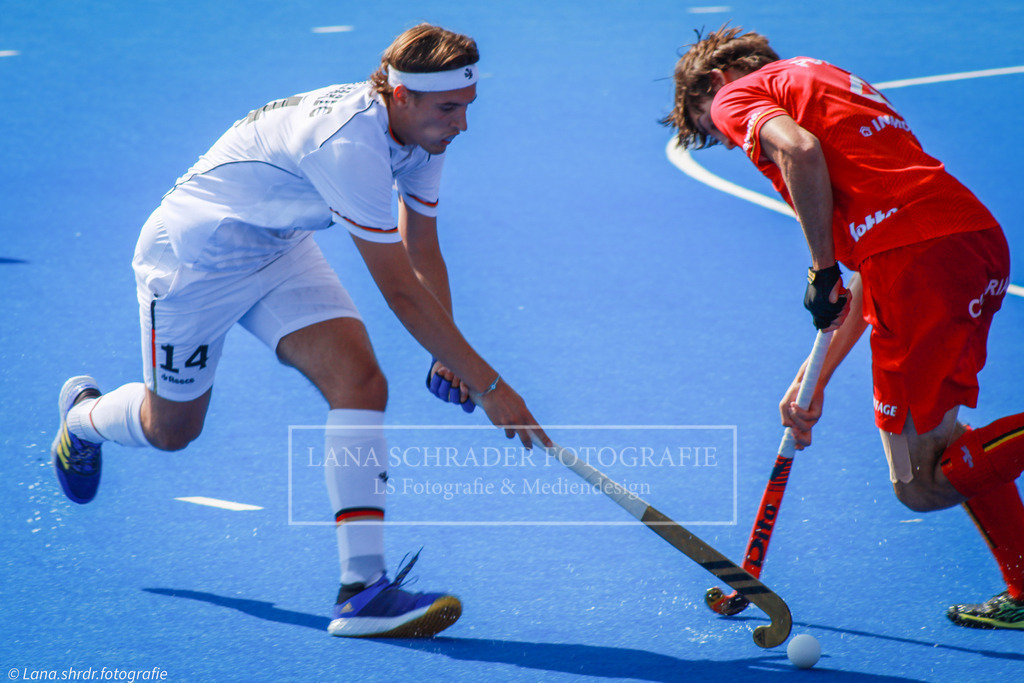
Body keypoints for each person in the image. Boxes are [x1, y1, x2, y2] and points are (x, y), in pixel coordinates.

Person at [51, 23, 551, 639]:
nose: (462, 124)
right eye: (450, 108)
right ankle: (82, 419)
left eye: (467, 107)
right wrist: (490, 385)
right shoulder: (348, 141)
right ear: (402, 96)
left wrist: (448, 358)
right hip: (193, 262)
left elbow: (424, 248)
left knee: (361, 383)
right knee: (171, 429)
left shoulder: (425, 138)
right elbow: (398, 290)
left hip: (278, 248)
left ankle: (362, 591)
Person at [663, 25, 1024, 629]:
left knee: (920, 484)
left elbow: (796, 152)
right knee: (943, 459)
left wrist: (819, 266)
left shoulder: (736, 94)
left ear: (712, 83)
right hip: (963, 239)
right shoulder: (820, 77)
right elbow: (867, 274)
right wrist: (815, 379)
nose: (730, 142)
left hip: (920, 260)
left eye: (713, 130)